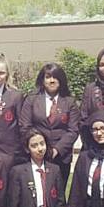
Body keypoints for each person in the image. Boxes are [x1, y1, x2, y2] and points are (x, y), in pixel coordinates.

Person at [19, 62, 79, 190]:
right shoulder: (31, 99)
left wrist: (56, 150)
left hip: (61, 157)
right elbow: (25, 126)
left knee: (58, 195)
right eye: (48, 77)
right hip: (36, 154)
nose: (52, 81)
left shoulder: (69, 101)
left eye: (55, 77)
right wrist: (38, 147)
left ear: (61, 80)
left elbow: (73, 130)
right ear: (42, 80)